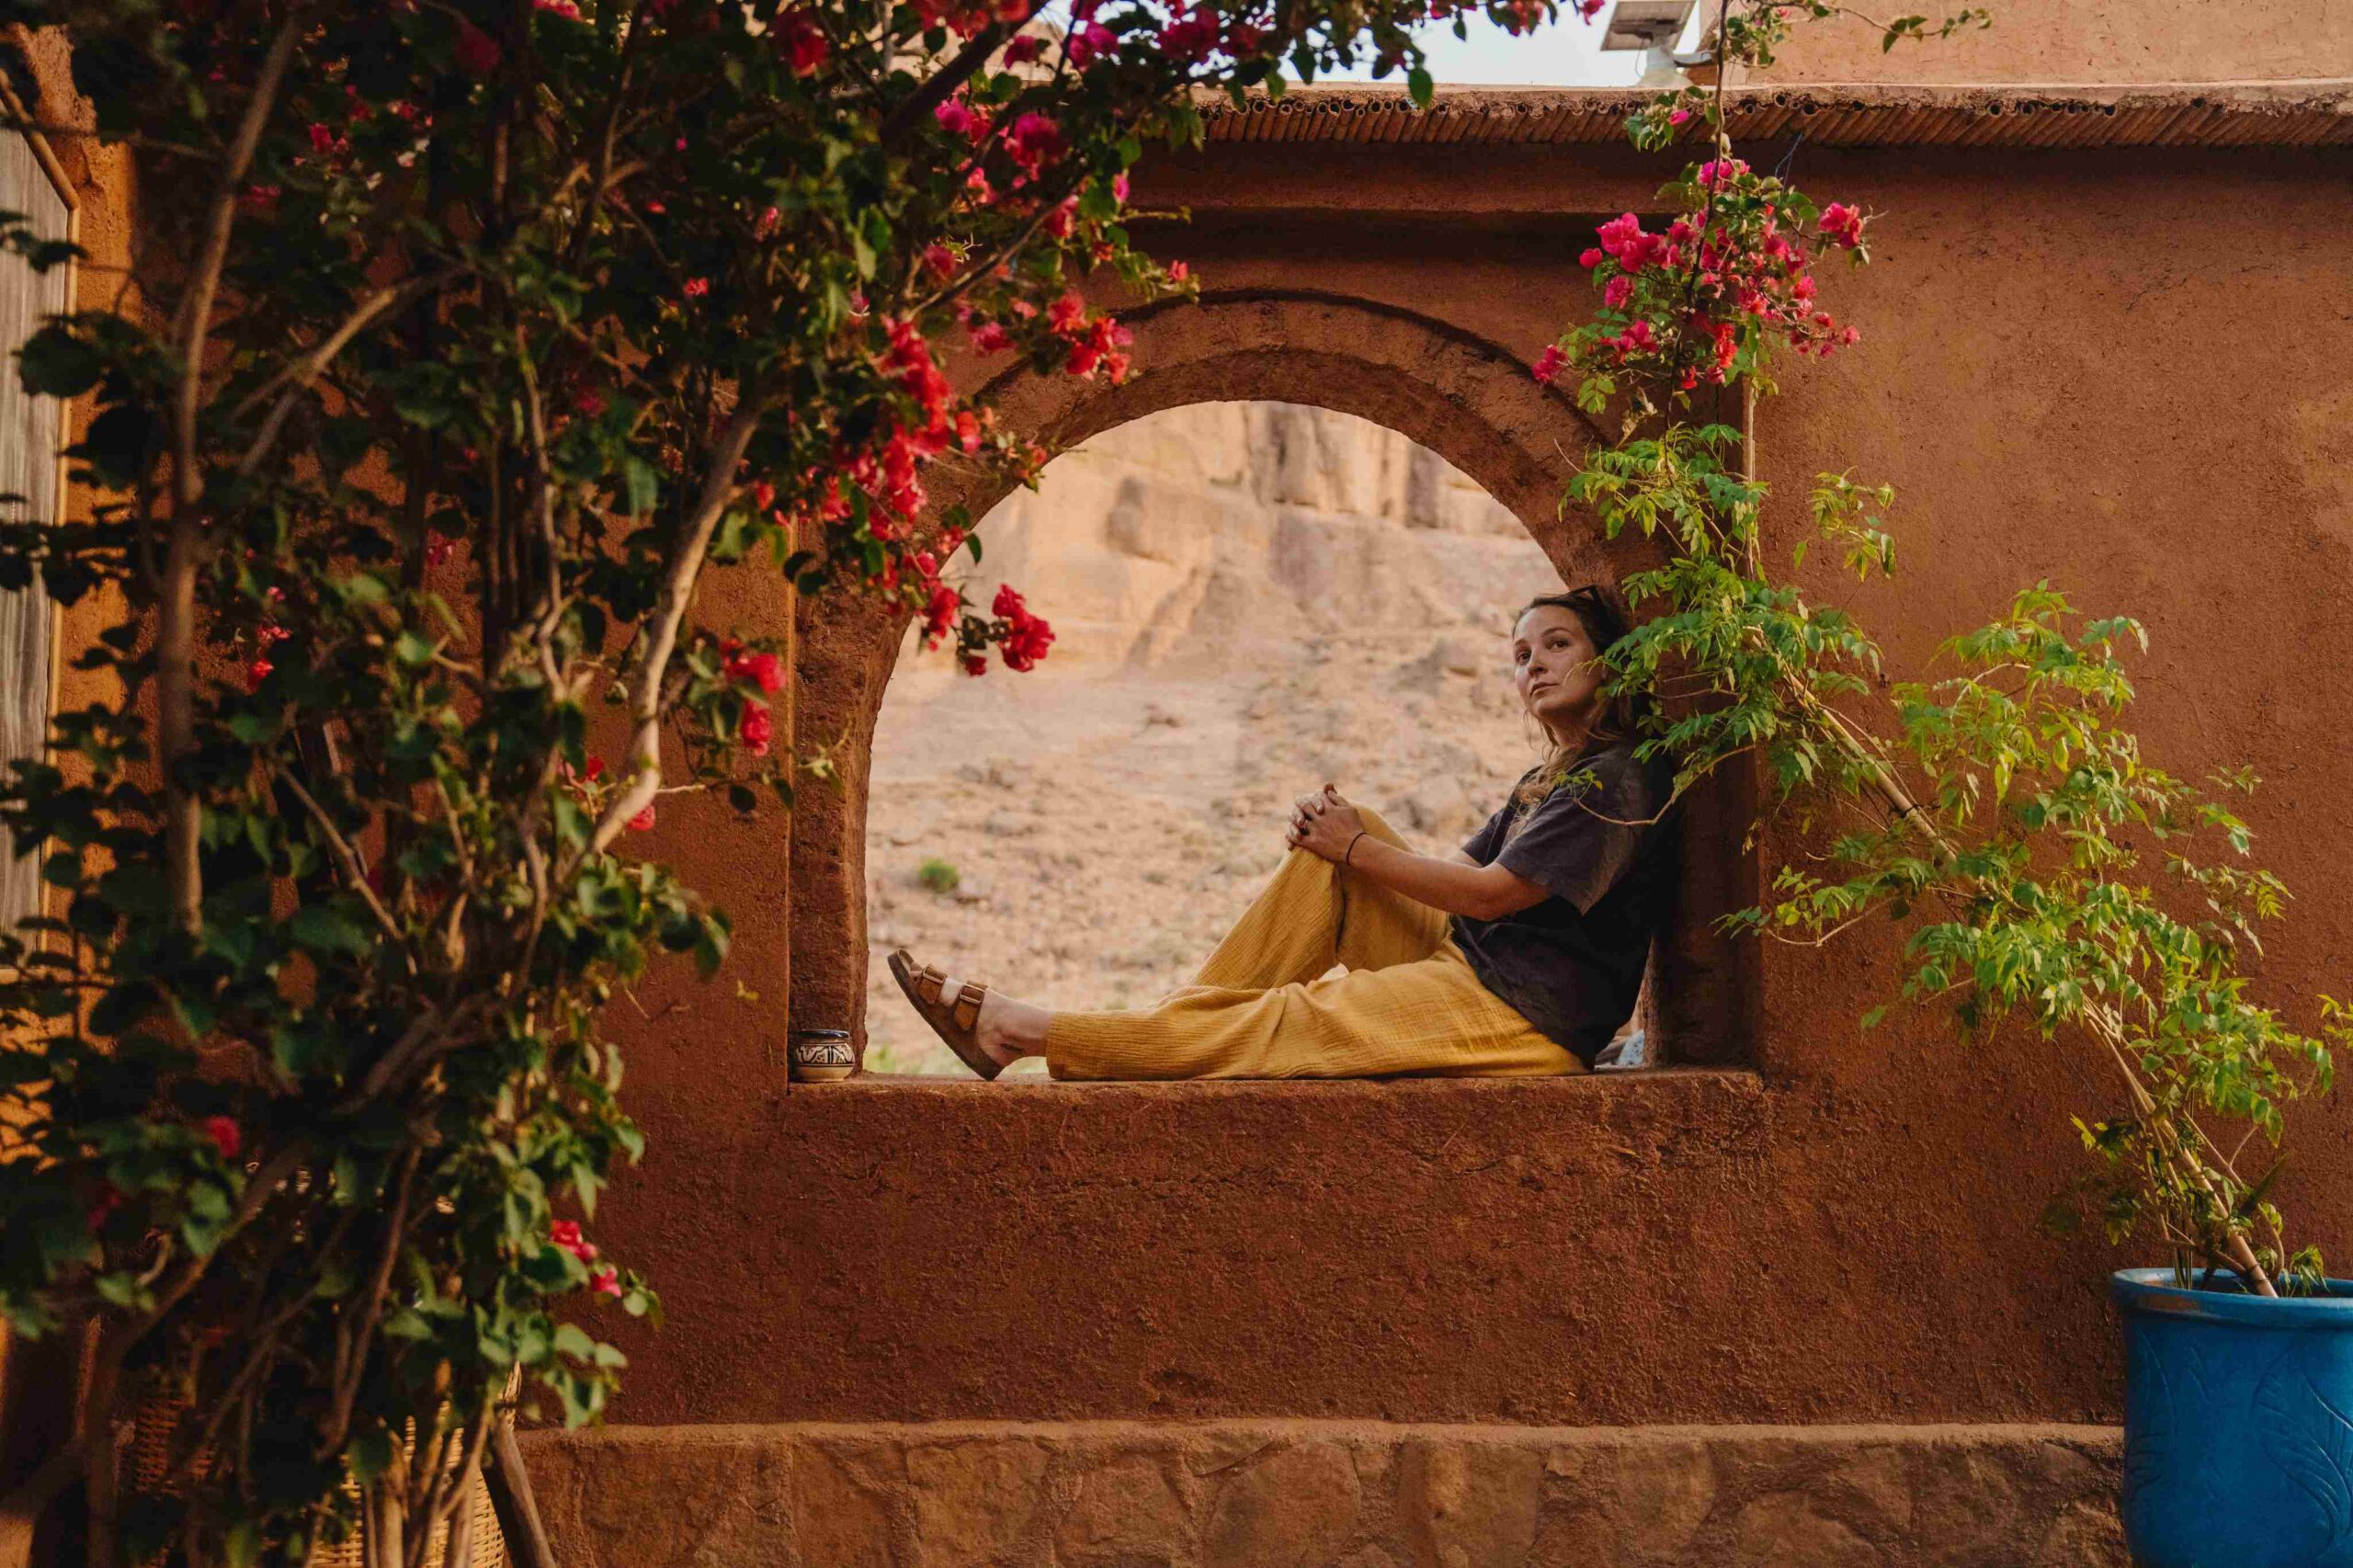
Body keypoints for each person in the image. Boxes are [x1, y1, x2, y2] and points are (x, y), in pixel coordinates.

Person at [888, 584, 1678, 1081]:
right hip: (1475, 965)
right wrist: (1349, 841)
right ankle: (1169, 1032)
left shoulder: (1616, 777)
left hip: (1523, 1017)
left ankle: (1023, 1032)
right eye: (1518, 654)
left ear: (1607, 661)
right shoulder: (1552, 775)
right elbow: (1458, 875)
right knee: (1355, 833)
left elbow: (1494, 896)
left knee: (1296, 1018)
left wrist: (1356, 849)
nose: (1532, 665)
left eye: (1557, 645)